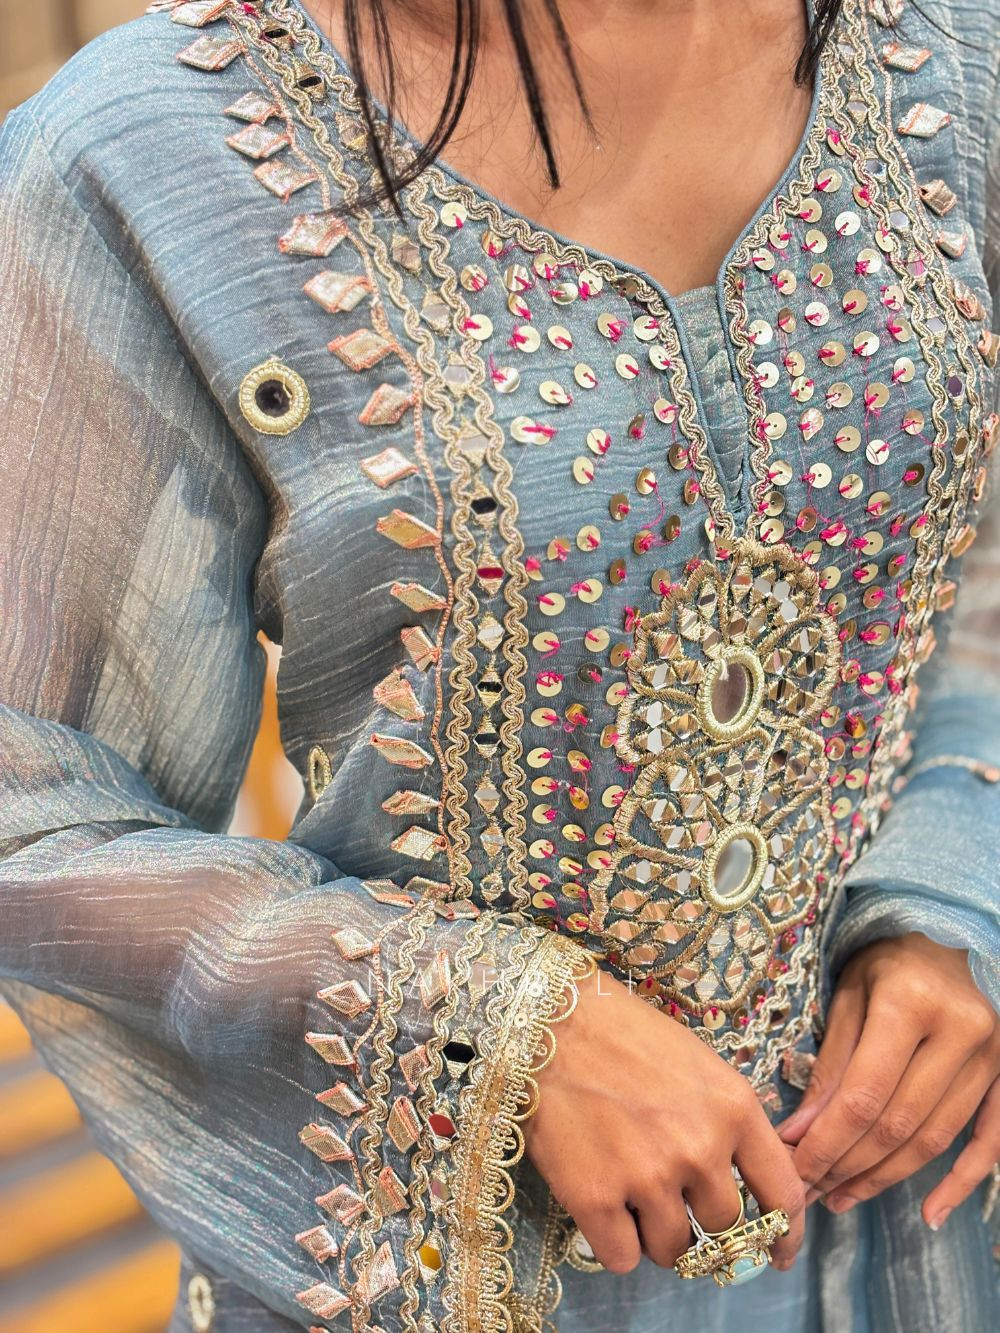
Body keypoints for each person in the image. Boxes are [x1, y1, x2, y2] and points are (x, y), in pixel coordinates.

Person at [0, 0, 997, 1328]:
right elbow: (30, 802)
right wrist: (484, 1027)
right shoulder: (153, 157)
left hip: (918, 1210)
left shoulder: (948, 53)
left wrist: (956, 885)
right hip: (471, 1261)